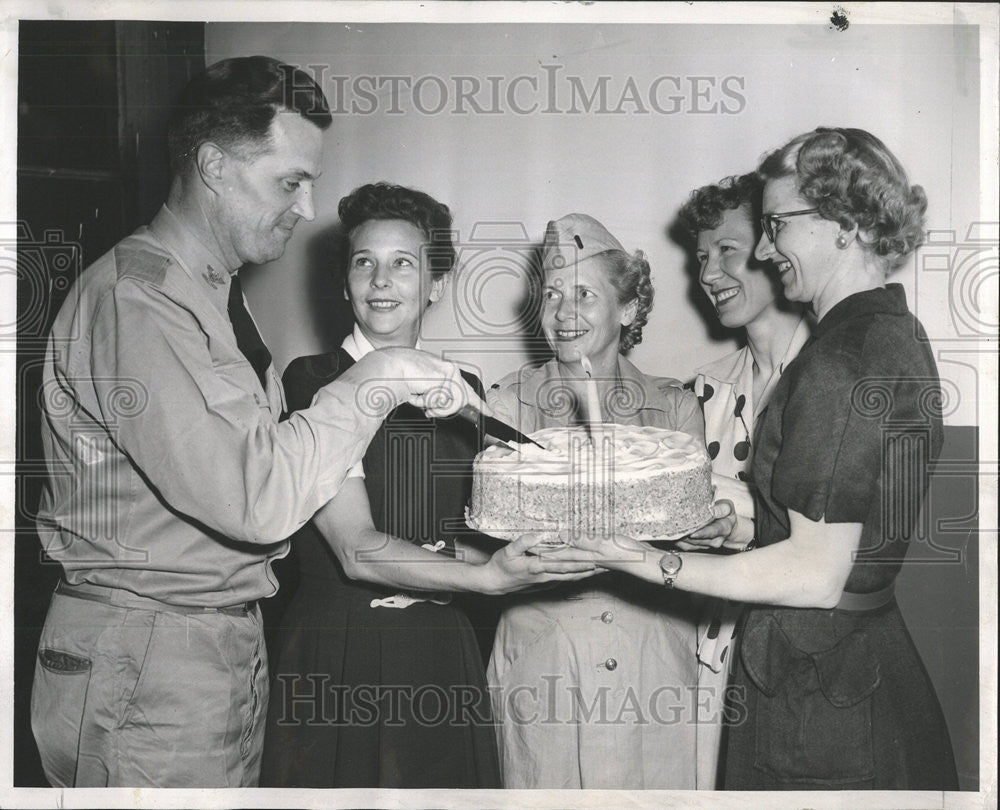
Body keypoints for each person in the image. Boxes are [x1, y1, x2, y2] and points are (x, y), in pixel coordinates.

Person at [30, 57, 486, 789]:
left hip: (205, 644)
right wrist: (375, 378)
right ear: (213, 165)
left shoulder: (210, 295)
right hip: (149, 650)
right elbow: (258, 498)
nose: (307, 208)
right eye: (290, 181)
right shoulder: (139, 301)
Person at [564, 128, 959, 790]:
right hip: (857, 665)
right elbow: (842, 533)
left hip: (818, 693)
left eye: (777, 225)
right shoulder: (890, 331)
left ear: (845, 223)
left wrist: (639, 559)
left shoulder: (840, 359)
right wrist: (745, 524)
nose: (767, 248)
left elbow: (813, 575)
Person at [260, 183, 595, 788]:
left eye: (403, 263)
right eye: (364, 262)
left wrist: (540, 553)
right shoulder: (314, 383)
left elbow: (456, 536)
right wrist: (490, 578)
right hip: (344, 654)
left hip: (439, 653)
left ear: (436, 284)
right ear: (344, 282)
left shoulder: (463, 387)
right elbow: (358, 549)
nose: (381, 280)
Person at [485, 214, 706, 789]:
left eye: (584, 293)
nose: (563, 311)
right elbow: (505, 529)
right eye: (552, 294)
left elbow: (688, 529)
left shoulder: (675, 407)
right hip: (544, 658)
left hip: (652, 656)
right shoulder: (506, 406)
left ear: (628, 309)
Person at [676, 173, 811, 788]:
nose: (708, 274)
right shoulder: (701, 388)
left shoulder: (826, 374)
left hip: (798, 648)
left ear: (770, 248)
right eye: (701, 258)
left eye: (726, 251)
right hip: (704, 648)